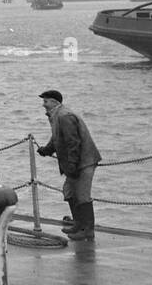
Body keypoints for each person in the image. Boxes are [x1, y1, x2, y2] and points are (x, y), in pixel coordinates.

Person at [36, 90, 103, 242]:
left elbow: (73, 142)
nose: (43, 105)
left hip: (83, 162)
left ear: (54, 102)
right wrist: (46, 150)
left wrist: (73, 164)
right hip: (75, 162)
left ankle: (87, 230)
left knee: (82, 195)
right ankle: (78, 224)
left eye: (45, 101)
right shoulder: (56, 116)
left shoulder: (64, 116)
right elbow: (57, 138)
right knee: (69, 192)